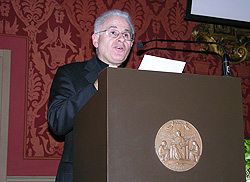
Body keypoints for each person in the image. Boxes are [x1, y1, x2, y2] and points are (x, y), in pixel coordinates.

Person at [47, 9, 135, 182]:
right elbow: (57, 122)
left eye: (126, 35)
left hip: (125, 173)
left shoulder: (135, 83)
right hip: (80, 174)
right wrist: (95, 86)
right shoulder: (70, 74)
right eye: (113, 32)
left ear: (131, 44)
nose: (121, 39)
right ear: (96, 39)